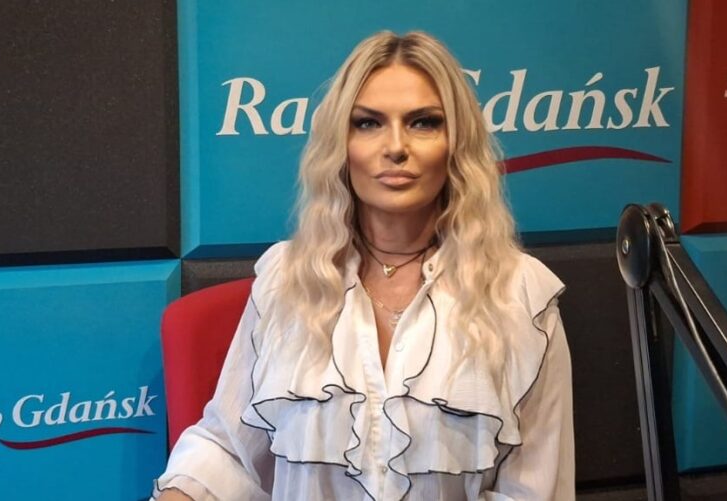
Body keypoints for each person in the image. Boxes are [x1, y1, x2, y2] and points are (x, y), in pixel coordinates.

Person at [154, 31, 574, 501]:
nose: (395, 146)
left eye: (423, 123)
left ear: (456, 143)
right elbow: (228, 450)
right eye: (369, 123)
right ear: (341, 142)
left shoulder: (521, 296)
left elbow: (536, 488)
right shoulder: (286, 280)